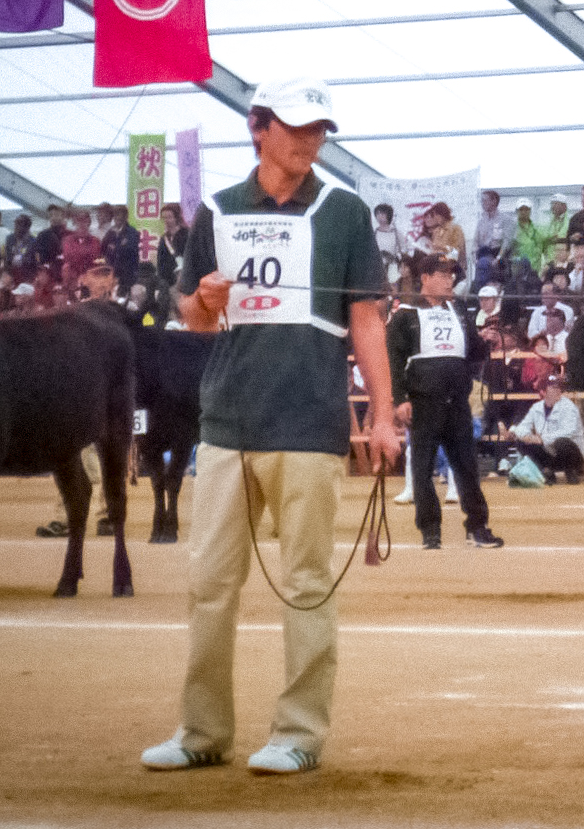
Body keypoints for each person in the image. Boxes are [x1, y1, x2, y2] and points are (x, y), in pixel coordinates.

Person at [142, 75, 403, 778]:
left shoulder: (345, 211)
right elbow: (197, 321)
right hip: (226, 419)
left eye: (320, 128)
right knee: (209, 582)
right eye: (298, 126)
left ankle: (299, 732)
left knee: (308, 581)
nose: (311, 140)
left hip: (310, 422)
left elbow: (366, 320)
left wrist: (381, 415)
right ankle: (202, 730)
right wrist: (202, 297)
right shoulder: (217, 213)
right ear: (259, 127)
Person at [388, 256, 501, 548]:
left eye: (452, 275)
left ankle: (477, 526)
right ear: (425, 277)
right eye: (443, 274)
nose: (450, 279)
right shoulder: (405, 314)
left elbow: (473, 353)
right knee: (423, 468)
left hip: (457, 402)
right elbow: (394, 360)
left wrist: (484, 338)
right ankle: (430, 530)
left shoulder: (459, 309)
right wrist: (399, 399)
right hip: (424, 401)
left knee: (467, 466)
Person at [508, 377, 584, 484]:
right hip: (550, 454)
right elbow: (523, 426)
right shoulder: (536, 408)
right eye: (553, 388)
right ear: (543, 392)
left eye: (558, 388)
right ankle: (546, 471)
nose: (557, 390)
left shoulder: (569, 407)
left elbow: (569, 431)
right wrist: (522, 434)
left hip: (572, 455)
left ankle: (571, 471)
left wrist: (542, 439)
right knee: (521, 442)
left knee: (562, 442)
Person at [472, 190, 513, 288]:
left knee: (486, 267)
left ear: (494, 201)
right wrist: (474, 257)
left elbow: (507, 242)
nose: (482, 203)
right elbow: (475, 241)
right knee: (482, 266)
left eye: (485, 200)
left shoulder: (506, 219)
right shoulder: (481, 221)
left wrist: (499, 258)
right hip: (483, 254)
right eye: (481, 201)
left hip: (498, 254)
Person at [102, 205, 140, 293]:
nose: (117, 218)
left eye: (120, 214)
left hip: (127, 274)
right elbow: (103, 248)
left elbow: (129, 249)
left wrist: (114, 247)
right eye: (115, 215)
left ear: (126, 216)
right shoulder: (110, 232)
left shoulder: (132, 232)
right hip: (112, 273)